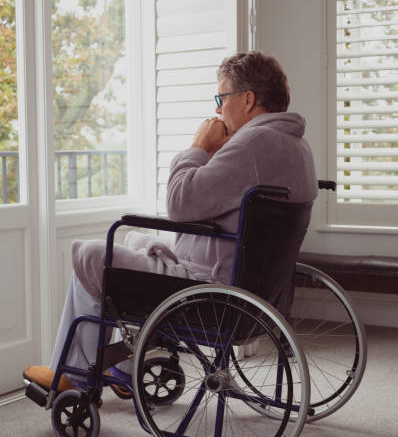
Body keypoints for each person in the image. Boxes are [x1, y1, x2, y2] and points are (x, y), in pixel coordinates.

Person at [24, 51, 317, 391]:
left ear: (248, 99)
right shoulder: (297, 147)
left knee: (92, 255)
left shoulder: (251, 144)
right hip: (257, 293)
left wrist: (199, 147)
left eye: (222, 98)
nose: (218, 109)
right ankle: (123, 364)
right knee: (138, 240)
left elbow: (179, 203)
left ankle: (73, 375)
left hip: (209, 292)